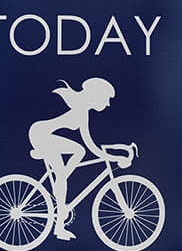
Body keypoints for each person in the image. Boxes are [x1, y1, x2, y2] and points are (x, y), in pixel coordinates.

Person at [28, 77, 117, 240]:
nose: (108, 104)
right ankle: (59, 228)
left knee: (79, 151)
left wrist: (109, 155)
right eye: (106, 98)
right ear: (96, 95)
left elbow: (89, 144)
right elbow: (91, 145)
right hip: (41, 134)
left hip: (44, 134)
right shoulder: (80, 108)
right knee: (63, 180)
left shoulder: (82, 109)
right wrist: (110, 157)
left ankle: (60, 178)